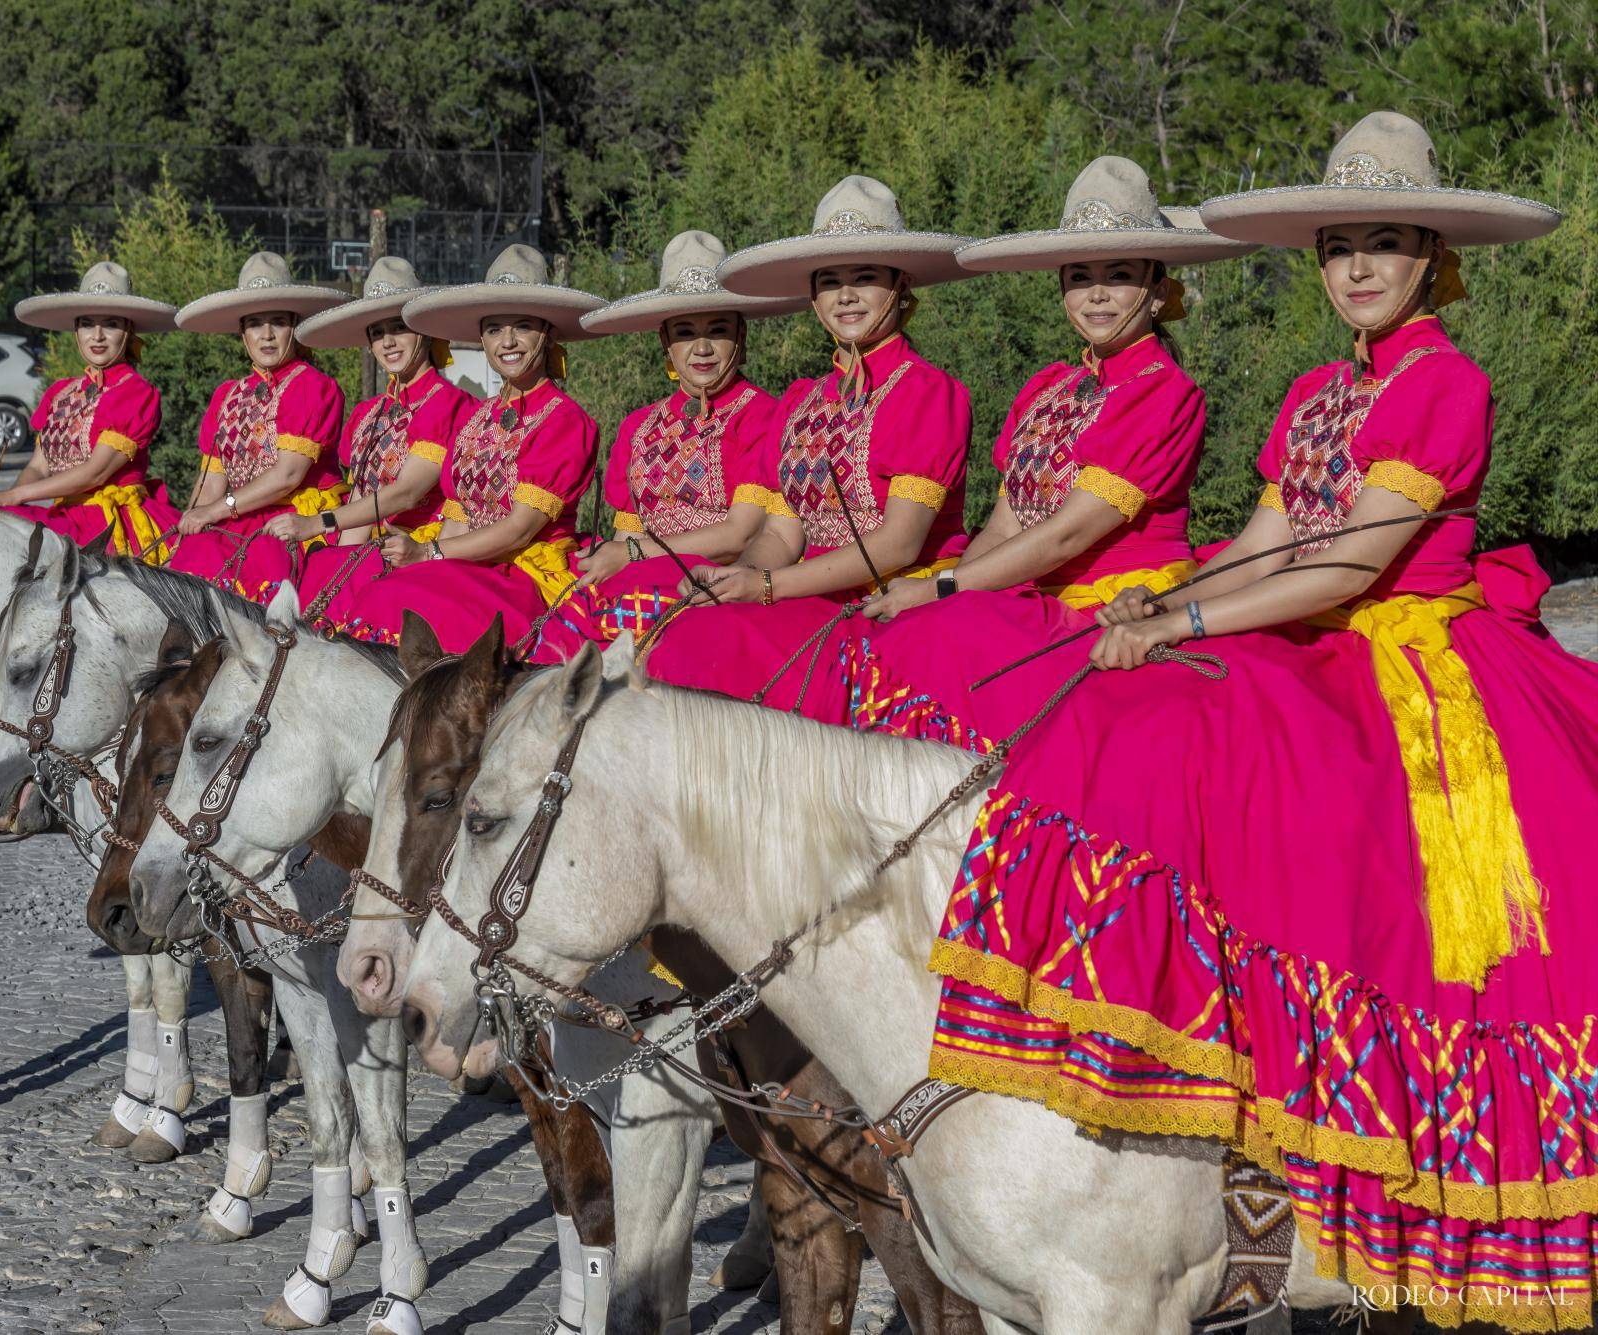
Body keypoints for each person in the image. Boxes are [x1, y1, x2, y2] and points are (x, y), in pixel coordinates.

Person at [926, 112, 1590, 1330]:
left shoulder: (1446, 382)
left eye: (1383, 243)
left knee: (1284, 803)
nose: (1356, 266)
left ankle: (1356, 1155)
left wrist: (1182, 627)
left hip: (1412, 661)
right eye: (1340, 244)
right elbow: (1267, 542)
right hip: (1320, 635)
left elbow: (1348, 569)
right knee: (1128, 707)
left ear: (1430, 256)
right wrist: (1160, 598)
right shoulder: (1317, 390)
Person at [831, 157, 1253, 742]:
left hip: (1111, 601)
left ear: (1159, 289)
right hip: (1030, 593)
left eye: (1119, 274)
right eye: (1080, 275)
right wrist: (953, 589)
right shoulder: (1047, 386)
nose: (1097, 294)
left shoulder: (1164, 392)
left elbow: (1067, 535)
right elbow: (1004, 526)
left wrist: (943, 588)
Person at [640, 175, 973, 718]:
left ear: (899, 285)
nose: (845, 295)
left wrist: (767, 586)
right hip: (805, 593)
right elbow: (779, 529)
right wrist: (738, 579)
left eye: (863, 277)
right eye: (830, 281)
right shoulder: (801, 400)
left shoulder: (926, 392)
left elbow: (898, 546)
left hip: (898, 599)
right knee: (693, 639)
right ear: (813, 298)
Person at [320, 244, 604, 654]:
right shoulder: (478, 417)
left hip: (523, 572)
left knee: (401, 602)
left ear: (548, 334)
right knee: (381, 594)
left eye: (522, 326)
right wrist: (427, 559)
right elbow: (456, 515)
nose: (507, 341)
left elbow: (518, 530)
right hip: (468, 563)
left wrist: (428, 554)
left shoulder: (565, 419)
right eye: (493, 329)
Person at [530, 230, 798, 662]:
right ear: (665, 345)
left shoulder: (763, 415)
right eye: (686, 332)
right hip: (638, 576)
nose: (703, 347)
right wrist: (613, 558)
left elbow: (739, 533)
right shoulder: (639, 426)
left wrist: (632, 553)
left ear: (741, 337)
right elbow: (627, 529)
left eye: (718, 330)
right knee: (554, 639)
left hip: (709, 578)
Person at [267, 256, 475, 622]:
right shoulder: (368, 412)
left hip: (417, 547)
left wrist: (319, 524)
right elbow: (365, 492)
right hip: (371, 549)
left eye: (398, 328)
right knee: (320, 578)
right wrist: (339, 562)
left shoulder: (447, 403)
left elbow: (406, 493)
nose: (388, 342)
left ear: (423, 331)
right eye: (377, 333)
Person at [164, 253, 347, 600]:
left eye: (277, 322)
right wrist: (191, 523)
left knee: (263, 572)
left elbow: (287, 477)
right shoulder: (227, 395)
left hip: (293, 518)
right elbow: (210, 484)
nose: (266, 335)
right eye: (254, 324)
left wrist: (215, 511)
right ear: (242, 333)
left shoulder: (311, 385)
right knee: (192, 560)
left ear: (295, 326)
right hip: (239, 517)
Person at [0, 262, 178, 560]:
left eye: (111, 324)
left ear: (127, 331)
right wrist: (10, 509)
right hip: (66, 515)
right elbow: (38, 467)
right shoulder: (59, 392)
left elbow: (94, 473)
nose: (97, 335)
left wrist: (15, 496)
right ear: (76, 330)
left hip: (110, 526)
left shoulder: (136, 393)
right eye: (88, 323)